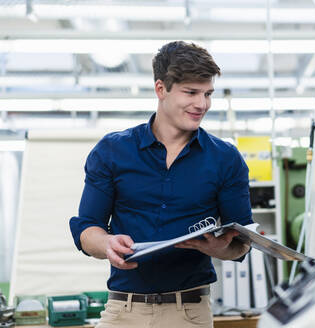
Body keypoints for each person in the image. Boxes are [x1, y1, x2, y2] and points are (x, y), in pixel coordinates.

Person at [69, 41, 253, 328]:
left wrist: (220, 250)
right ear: (161, 89)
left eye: (207, 94)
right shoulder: (112, 151)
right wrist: (106, 243)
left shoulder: (226, 159)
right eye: (191, 93)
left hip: (190, 313)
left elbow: (243, 242)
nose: (201, 104)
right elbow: (86, 227)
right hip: (122, 311)